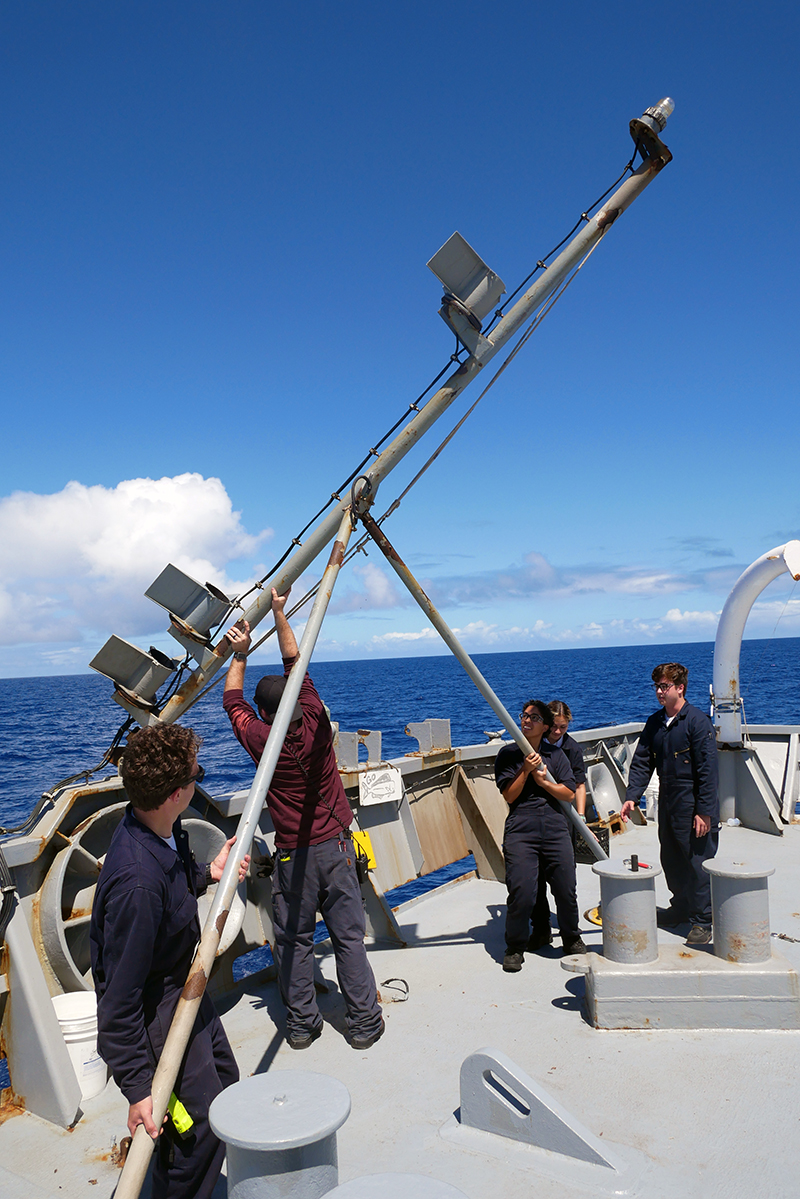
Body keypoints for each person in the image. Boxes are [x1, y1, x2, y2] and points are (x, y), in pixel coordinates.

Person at [90, 724, 248, 1199]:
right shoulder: (136, 884)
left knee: (226, 1086)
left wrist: (207, 874)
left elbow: (173, 886)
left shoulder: (155, 827)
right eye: (197, 774)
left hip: (186, 996)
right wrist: (139, 1089)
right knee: (193, 1136)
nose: (199, 779)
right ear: (178, 793)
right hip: (158, 1019)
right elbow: (118, 1004)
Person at [222, 587, 384, 1051]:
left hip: (293, 858)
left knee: (294, 943)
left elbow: (233, 700)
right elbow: (297, 661)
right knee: (349, 939)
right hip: (336, 848)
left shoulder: (259, 738)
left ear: (267, 713)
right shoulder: (314, 718)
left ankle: (301, 1026)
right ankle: (364, 1023)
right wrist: (278, 612)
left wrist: (240, 653)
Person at [620, 662, 719, 945]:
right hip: (668, 800)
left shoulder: (697, 723)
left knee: (697, 861)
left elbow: (708, 772)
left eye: (665, 687)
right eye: (657, 687)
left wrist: (704, 812)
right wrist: (631, 796)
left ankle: (702, 920)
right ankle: (681, 908)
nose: (660, 692)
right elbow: (641, 762)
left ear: (680, 688)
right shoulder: (655, 723)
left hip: (692, 801)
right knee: (672, 857)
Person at [494, 699, 587, 971]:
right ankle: (515, 946)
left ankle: (571, 937)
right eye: (524, 715)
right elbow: (509, 795)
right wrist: (525, 770)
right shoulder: (508, 755)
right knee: (522, 890)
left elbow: (569, 793)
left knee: (565, 887)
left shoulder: (557, 756)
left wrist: (545, 782)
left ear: (545, 726)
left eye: (534, 718)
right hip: (522, 827)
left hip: (555, 824)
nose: (526, 720)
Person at [528, 700, 588, 951]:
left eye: (563, 728)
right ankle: (541, 929)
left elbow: (579, 784)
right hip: (534, 819)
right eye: (554, 727)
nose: (557, 732)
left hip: (563, 820)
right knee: (535, 880)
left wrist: (581, 817)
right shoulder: (532, 747)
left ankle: (570, 935)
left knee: (565, 883)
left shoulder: (571, 749)